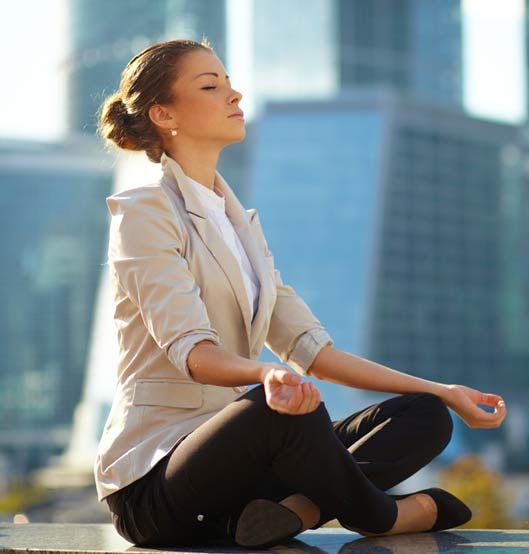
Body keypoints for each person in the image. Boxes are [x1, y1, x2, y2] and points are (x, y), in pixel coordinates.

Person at [94, 38, 506, 549]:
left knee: (422, 413)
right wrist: (267, 374)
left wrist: (444, 390)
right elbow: (193, 354)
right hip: (157, 483)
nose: (234, 94)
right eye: (210, 85)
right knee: (287, 410)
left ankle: (300, 510)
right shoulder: (144, 210)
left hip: (243, 486)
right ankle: (380, 515)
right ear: (163, 112)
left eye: (228, 82)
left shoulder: (238, 223)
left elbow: (314, 352)